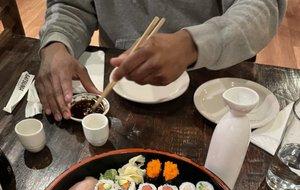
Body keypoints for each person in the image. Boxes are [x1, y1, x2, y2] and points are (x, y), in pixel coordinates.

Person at [37, 0, 286, 121]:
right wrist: (56, 44)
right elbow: (71, 6)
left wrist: (193, 43)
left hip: (213, 87)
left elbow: (260, 7)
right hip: (117, 87)